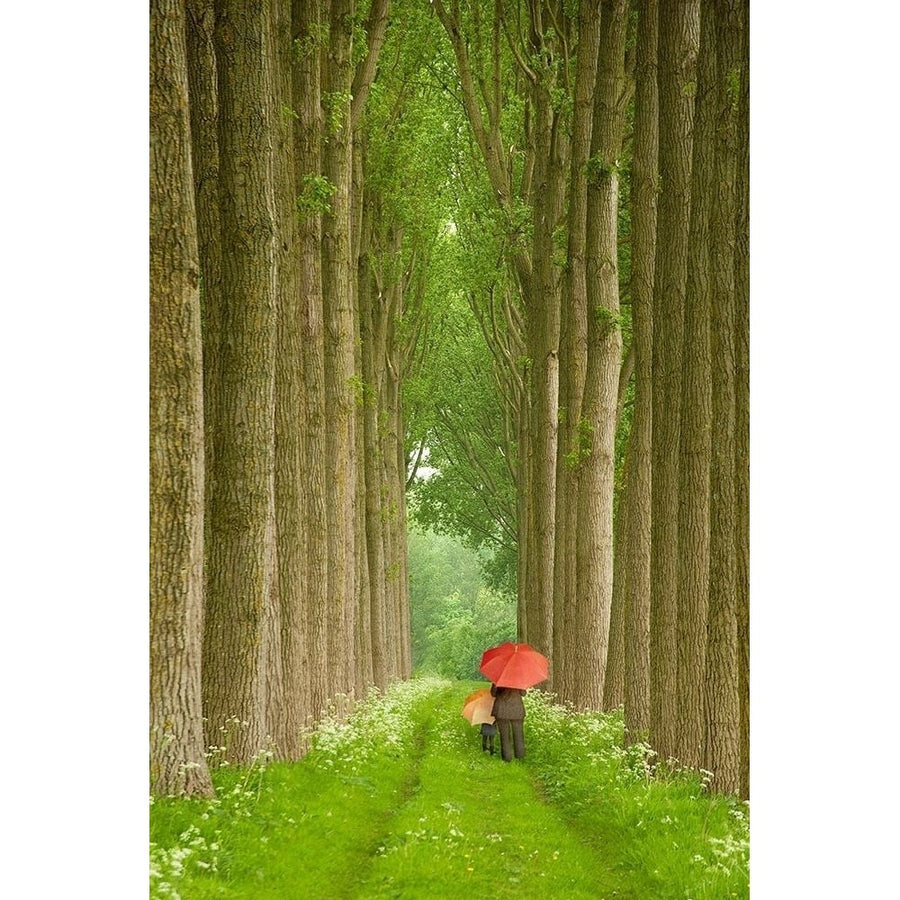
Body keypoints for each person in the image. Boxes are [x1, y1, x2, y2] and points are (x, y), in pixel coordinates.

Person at [490, 683, 527, 762]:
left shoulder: (499, 678)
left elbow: (493, 693)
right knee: (519, 734)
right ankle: (520, 756)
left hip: (502, 710)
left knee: (504, 736)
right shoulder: (518, 679)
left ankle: (507, 758)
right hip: (517, 710)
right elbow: (523, 693)